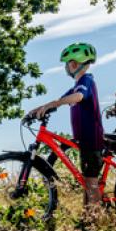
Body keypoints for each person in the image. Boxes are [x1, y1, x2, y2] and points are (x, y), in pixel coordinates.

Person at [28, 42, 104, 211]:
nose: (65, 68)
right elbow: (57, 101)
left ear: (74, 64)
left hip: (91, 139)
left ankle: (96, 220)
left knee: (91, 183)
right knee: (87, 182)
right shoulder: (76, 86)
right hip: (84, 140)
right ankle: (88, 219)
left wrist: (55, 103)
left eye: (66, 64)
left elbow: (79, 96)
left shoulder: (86, 80)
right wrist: (38, 109)